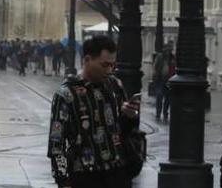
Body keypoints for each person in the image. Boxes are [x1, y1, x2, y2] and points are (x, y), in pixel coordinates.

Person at [47, 35, 140, 188]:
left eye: (112, 65)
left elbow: (122, 131)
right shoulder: (66, 94)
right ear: (87, 59)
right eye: (104, 65)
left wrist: (129, 116)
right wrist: (63, 181)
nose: (109, 70)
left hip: (118, 173)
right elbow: (57, 144)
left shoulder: (115, 85)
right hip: (85, 175)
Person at [152, 41, 174, 121]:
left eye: (170, 49)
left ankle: (165, 113)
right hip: (160, 80)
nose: (169, 51)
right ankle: (158, 113)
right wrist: (155, 75)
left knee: (168, 98)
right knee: (159, 95)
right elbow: (155, 67)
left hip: (169, 81)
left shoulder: (172, 58)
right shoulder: (160, 57)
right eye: (167, 49)